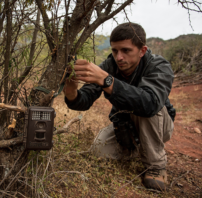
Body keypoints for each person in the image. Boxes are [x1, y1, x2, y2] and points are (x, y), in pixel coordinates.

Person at [63, 22, 175, 191]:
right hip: (126, 126)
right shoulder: (109, 65)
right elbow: (84, 100)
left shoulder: (159, 66)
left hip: (159, 125)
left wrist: (107, 80)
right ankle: (138, 148)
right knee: (99, 151)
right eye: (115, 50)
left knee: (145, 105)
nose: (119, 57)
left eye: (126, 50)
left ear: (142, 51)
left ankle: (156, 166)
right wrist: (71, 90)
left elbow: (150, 104)